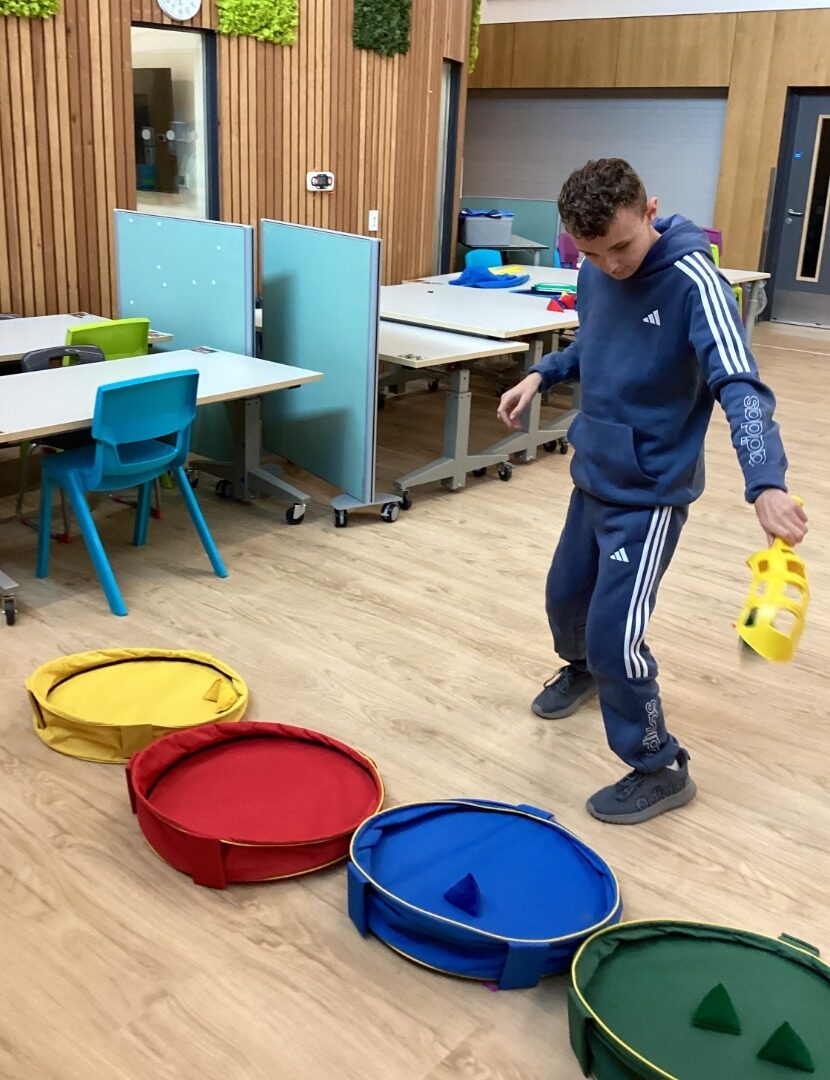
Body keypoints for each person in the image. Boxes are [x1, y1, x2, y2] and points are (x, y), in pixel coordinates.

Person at [497, 158, 807, 825]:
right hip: (593, 473)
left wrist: (765, 482)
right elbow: (592, 342)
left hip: (650, 494)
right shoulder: (594, 269)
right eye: (592, 253)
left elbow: (741, 385)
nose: (611, 266)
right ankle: (584, 670)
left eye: (622, 247)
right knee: (565, 599)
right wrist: (543, 373)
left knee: (616, 635)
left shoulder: (695, 281)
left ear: (651, 211)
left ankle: (659, 765)